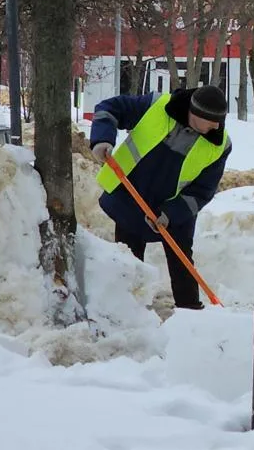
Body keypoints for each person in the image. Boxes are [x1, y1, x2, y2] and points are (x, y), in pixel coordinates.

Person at [89, 85, 232, 311]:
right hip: (132, 198)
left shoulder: (220, 145)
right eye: (212, 120)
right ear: (195, 114)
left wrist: (170, 213)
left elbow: (202, 191)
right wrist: (101, 138)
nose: (217, 126)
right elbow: (110, 108)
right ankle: (126, 308)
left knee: (182, 262)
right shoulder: (156, 105)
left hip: (176, 210)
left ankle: (191, 312)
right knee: (128, 256)